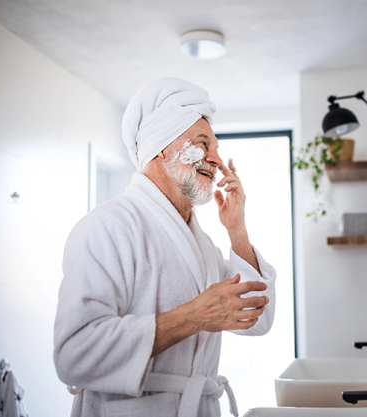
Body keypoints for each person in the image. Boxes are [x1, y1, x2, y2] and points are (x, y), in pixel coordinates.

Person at [53, 78, 276, 417]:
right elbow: (75, 355)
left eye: (216, 146)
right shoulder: (108, 227)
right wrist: (195, 316)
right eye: (204, 144)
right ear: (161, 147)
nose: (216, 160)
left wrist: (236, 229)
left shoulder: (201, 246)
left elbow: (255, 319)